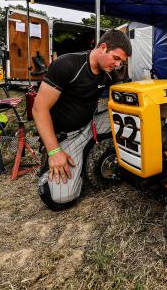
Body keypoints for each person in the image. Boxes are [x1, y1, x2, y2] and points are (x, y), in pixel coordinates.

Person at [33, 29, 131, 185]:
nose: (118, 64)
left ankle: (96, 149)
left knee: (130, 120)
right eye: (116, 58)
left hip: (91, 123)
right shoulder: (67, 64)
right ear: (103, 47)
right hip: (66, 134)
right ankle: (55, 152)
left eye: (122, 62)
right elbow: (39, 109)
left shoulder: (110, 72)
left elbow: (129, 90)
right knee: (59, 199)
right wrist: (54, 151)